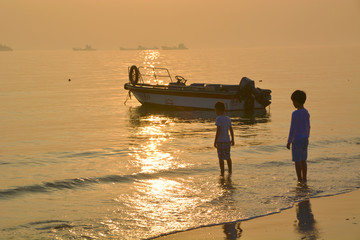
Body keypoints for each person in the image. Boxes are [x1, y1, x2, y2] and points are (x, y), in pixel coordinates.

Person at [287, 90, 310, 183]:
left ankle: (299, 179)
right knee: (303, 160)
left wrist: (289, 141)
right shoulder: (306, 112)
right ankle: (305, 178)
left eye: (293, 101)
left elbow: (292, 128)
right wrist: (307, 136)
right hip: (305, 139)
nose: (293, 103)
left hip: (297, 140)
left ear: (297, 101)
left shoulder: (295, 113)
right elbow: (308, 126)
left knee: (297, 161)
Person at [214, 102, 234, 176]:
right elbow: (231, 129)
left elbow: (218, 131)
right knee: (228, 157)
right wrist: (233, 139)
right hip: (227, 141)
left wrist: (215, 141)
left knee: (221, 158)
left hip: (220, 141)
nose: (215, 112)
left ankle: (222, 172)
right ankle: (230, 171)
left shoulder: (219, 119)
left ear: (218, 110)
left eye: (215, 110)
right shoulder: (228, 119)